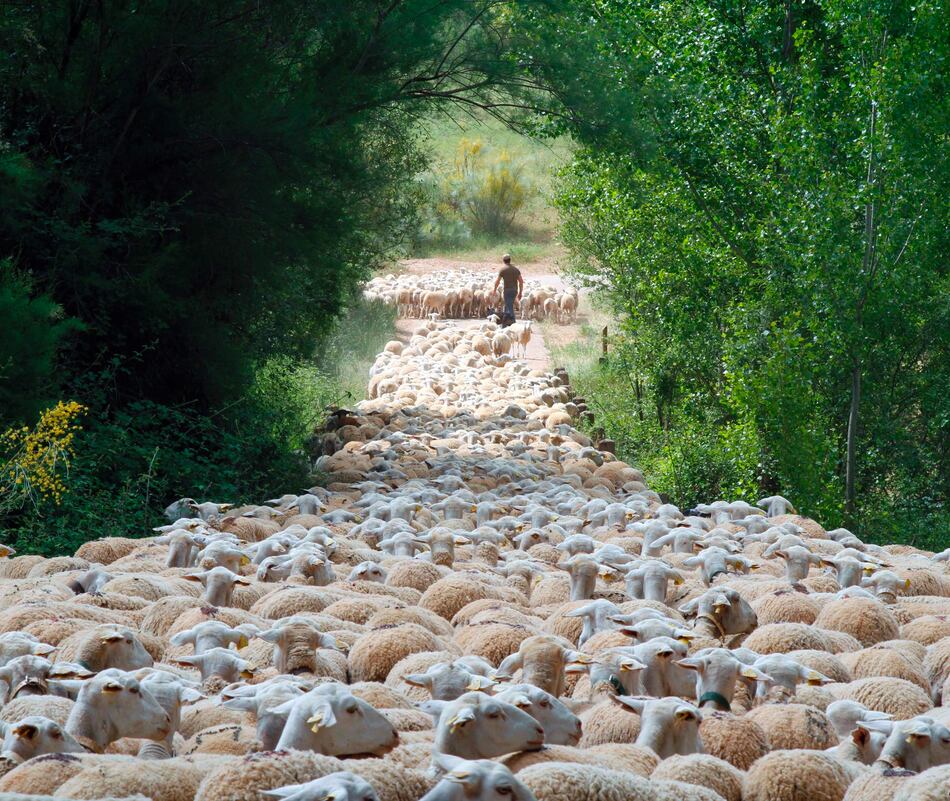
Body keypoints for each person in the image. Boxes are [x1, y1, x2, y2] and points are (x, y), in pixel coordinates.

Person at [492, 254, 523, 325]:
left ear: (503, 261)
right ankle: (506, 322)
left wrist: (494, 290)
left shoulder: (503, 270)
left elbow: (497, 281)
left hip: (507, 290)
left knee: (509, 306)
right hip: (514, 290)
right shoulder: (516, 269)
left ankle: (513, 321)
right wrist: (520, 292)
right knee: (508, 305)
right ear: (510, 260)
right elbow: (521, 281)